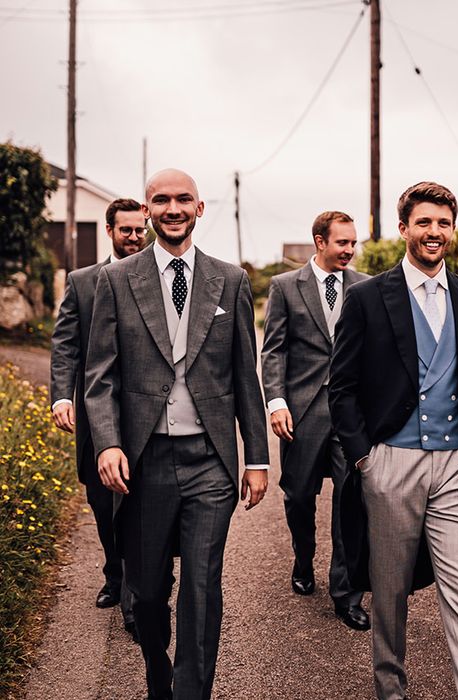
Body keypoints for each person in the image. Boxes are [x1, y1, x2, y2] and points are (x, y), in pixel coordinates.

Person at [84, 169, 269, 700]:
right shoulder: (116, 281)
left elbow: (243, 375)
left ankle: (192, 692)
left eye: (182, 199)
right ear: (146, 210)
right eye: (160, 199)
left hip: (210, 460)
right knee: (145, 593)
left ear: (199, 208)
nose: (172, 208)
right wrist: (109, 442)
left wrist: (256, 457)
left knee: (202, 587)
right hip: (144, 460)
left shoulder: (229, 280)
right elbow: (100, 376)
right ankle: (155, 673)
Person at [329, 182, 458, 700]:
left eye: (443, 223)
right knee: (391, 592)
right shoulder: (365, 298)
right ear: (404, 228)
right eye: (424, 222)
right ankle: (390, 688)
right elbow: (342, 386)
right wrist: (365, 459)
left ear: (453, 228)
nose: (434, 232)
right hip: (391, 462)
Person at [261, 210, 370, 630]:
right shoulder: (286, 287)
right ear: (320, 242)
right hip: (302, 413)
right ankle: (303, 559)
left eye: (353, 243)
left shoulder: (364, 286)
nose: (349, 250)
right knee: (299, 496)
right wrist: (276, 401)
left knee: (351, 502)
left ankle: (346, 594)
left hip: (350, 415)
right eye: (342, 242)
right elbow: (274, 351)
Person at [50, 197, 146, 640]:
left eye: (139, 230)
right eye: (126, 230)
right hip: (95, 415)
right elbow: (66, 345)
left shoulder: (156, 280)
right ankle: (113, 570)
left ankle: (135, 592)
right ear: (109, 231)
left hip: (144, 417)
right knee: (101, 505)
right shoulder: (81, 281)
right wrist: (61, 398)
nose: (134, 237)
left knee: (138, 508)